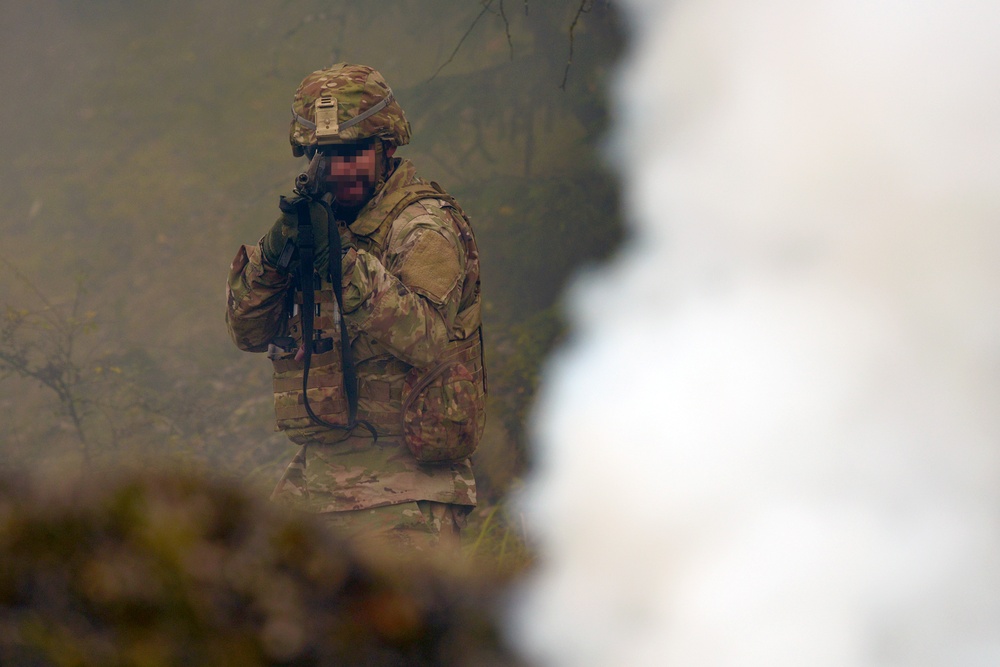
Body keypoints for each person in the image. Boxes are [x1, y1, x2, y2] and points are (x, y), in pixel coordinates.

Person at [225, 63, 486, 552]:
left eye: (351, 154)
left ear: (386, 147)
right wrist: (273, 265)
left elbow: (427, 338)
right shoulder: (322, 219)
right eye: (324, 155)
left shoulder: (423, 226)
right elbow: (247, 331)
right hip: (321, 481)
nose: (337, 169)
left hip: (408, 488)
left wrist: (343, 264)